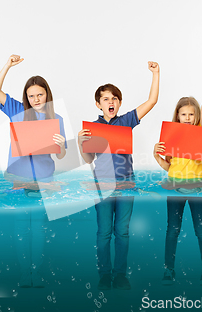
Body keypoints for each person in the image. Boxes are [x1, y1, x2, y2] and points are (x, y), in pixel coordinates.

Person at [78, 61, 160, 290]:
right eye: (105, 99)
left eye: (114, 98)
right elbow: (88, 160)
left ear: (119, 102)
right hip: (101, 186)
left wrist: (156, 73)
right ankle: (104, 274)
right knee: (104, 232)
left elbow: (151, 101)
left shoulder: (125, 121)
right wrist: (80, 142)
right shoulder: (92, 128)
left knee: (122, 232)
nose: (110, 101)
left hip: (126, 185)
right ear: (98, 104)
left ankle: (120, 274)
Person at [0, 55, 67, 288]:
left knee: (39, 228)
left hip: (44, 180)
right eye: (31, 95)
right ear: (27, 97)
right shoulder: (17, 111)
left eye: (40, 95)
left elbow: (61, 155)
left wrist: (62, 145)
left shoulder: (56, 118)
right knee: (22, 227)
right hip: (19, 179)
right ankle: (25, 273)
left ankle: (37, 272)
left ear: (47, 95)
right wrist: (8, 66)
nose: (36, 99)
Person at [153, 73, 202, 286]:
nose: (188, 118)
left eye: (191, 114)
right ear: (177, 116)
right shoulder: (172, 138)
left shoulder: (201, 132)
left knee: (201, 230)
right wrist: (157, 156)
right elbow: (169, 167)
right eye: (184, 114)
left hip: (198, 188)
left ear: (196, 117)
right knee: (172, 230)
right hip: (175, 188)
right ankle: (168, 270)